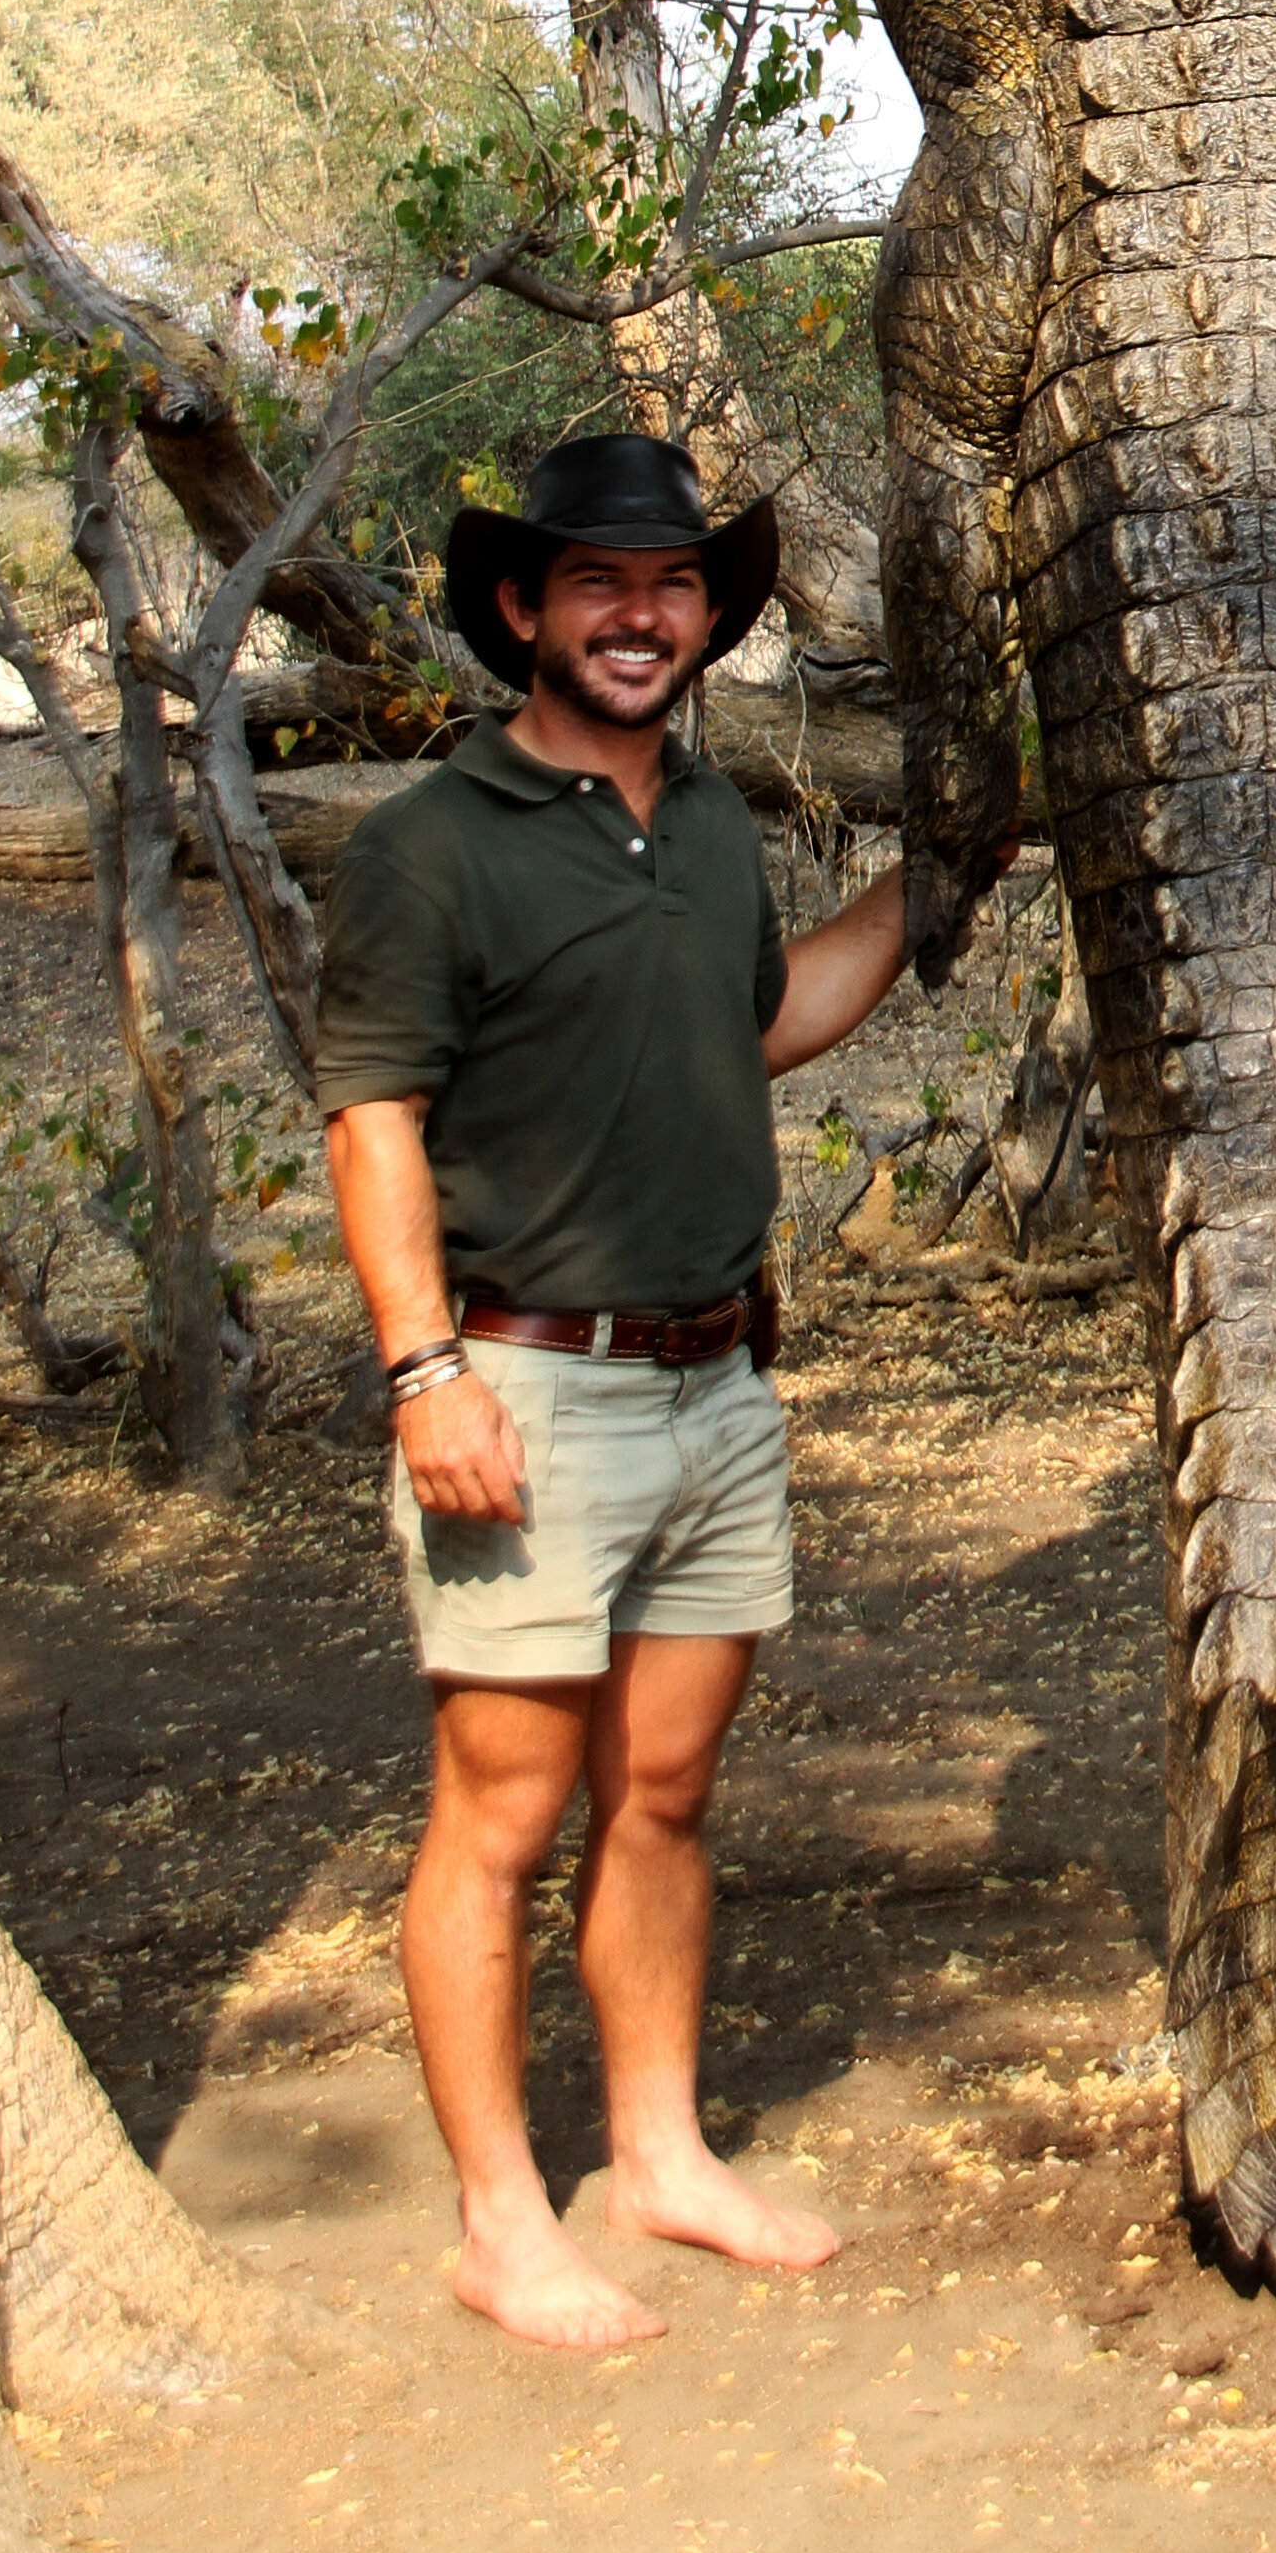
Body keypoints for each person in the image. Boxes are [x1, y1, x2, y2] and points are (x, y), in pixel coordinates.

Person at [318, 432, 915, 2351]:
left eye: (672, 586)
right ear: (524, 608)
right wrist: (426, 1372)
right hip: (526, 1387)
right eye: (600, 584)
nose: (641, 615)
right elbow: (373, 1119)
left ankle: (658, 2157)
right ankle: (503, 2216)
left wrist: (937, 883)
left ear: (708, 620)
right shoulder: (432, 845)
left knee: (661, 1794)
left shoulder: (718, 820)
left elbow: (764, 1024)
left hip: (717, 1384)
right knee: (497, 1812)